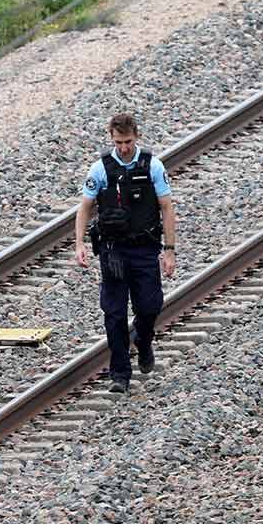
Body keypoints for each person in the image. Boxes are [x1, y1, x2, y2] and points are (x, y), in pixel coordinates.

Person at [74, 113, 176, 394]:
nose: (123, 148)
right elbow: (84, 207)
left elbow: (166, 207)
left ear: (136, 137)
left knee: (150, 306)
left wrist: (169, 250)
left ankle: (143, 340)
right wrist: (79, 244)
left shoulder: (152, 165)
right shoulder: (101, 169)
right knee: (114, 313)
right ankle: (120, 373)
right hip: (113, 251)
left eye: (128, 142)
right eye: (118, 142)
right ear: (111, 139)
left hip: (144, 249)